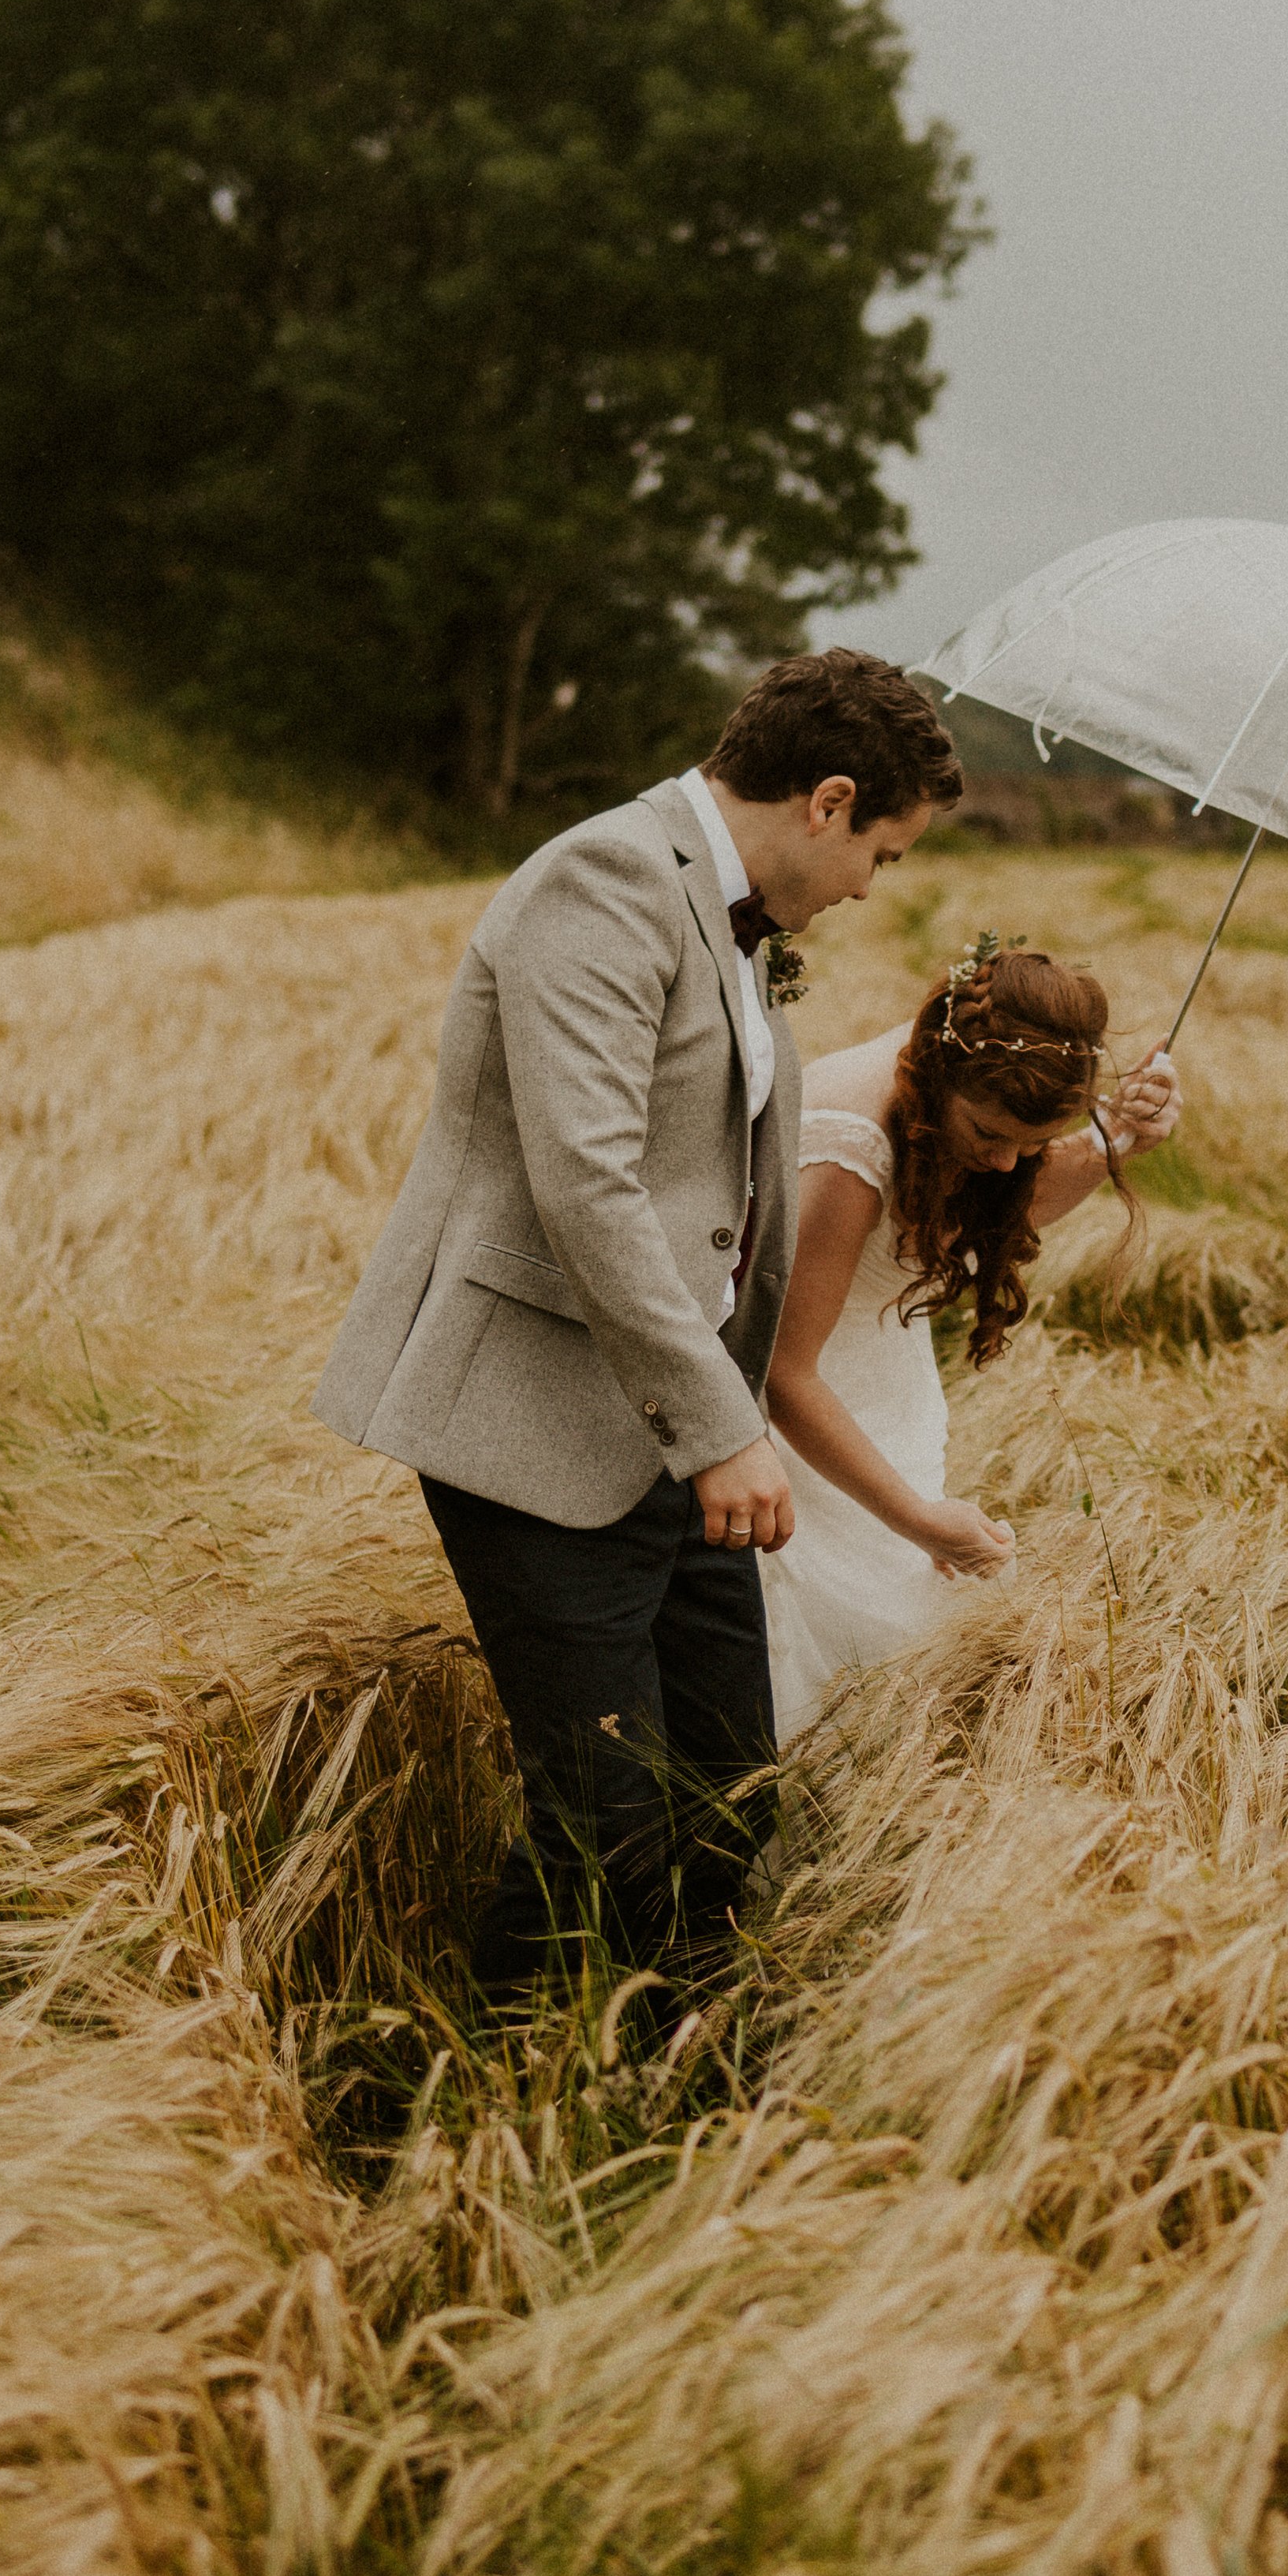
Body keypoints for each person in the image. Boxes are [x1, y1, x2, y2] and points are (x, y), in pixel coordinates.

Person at [312, 649, 962, 1998]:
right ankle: (480, 2113)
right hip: (543, 1426)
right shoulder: (602, 882)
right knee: (604, 1825)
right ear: (827, 800)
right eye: (882, 856)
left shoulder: (732, 914)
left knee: (729, 1797)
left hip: (678, 1436)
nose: (863, 889)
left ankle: (680, 2085)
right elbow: (588, 1185)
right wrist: (726, 1429)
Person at [758, 939, 1182, 1740]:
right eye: (990, 1133)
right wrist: (914, 1517)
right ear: (944, 1076)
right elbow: (784, 1372)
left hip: (880, 1389)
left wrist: (1117, 1140)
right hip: (799, 1431)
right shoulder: (851, 1149)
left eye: (1031, 1142)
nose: (1005, 1161)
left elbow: (980, 1216)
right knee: (820, 1667)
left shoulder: (969, 1102)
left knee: (893, 1666)